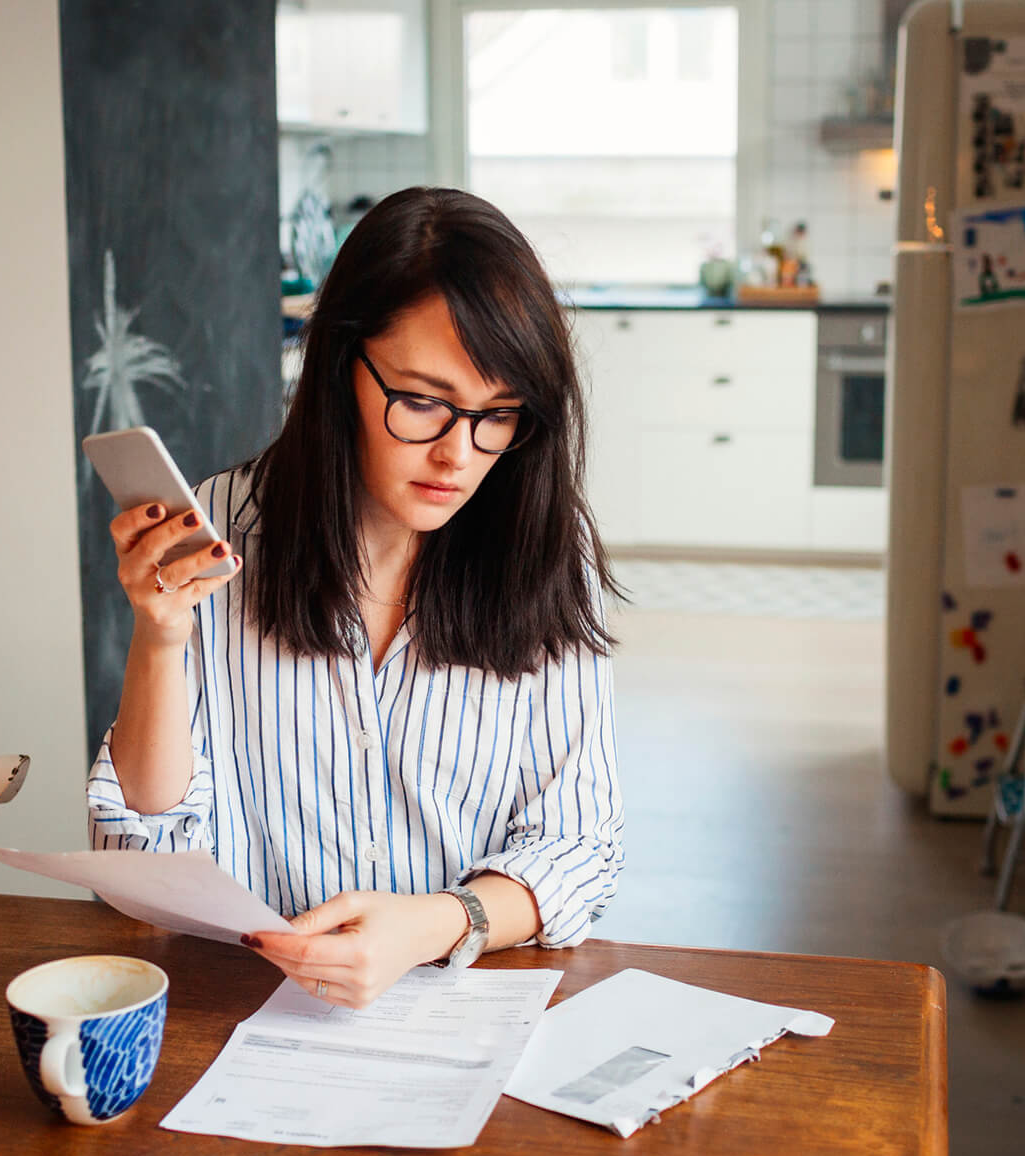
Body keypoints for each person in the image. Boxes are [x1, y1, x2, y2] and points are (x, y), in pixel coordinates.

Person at [87, 187, 625, 1009]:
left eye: (498, 415)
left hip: (467, 1002)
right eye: (421, 401)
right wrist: (159, 639)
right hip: (249, 1008)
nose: (458, 454)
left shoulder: (545, 552)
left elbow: (579, 844)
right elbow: (140, 854)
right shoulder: (227, 528)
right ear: (341, 366)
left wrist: (436, 923)